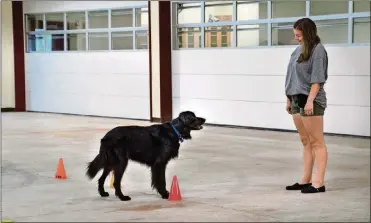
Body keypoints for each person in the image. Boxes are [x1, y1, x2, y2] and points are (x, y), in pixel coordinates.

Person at [284, 18, 328, 194]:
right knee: (305, 141)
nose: (296, 38)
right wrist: (288, 98)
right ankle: (305, 179)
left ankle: (319, 183)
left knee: (317, 141)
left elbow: (318, 78)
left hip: (311, 99)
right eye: (295, 35)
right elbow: (290, 76)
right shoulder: (296, 51)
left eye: (299, 35)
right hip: (295, 98)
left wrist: (310, 100)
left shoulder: (318, 50)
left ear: (308, 33)